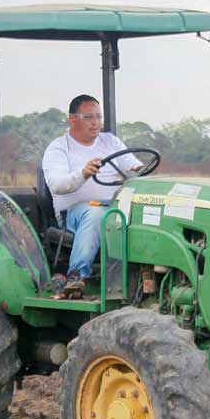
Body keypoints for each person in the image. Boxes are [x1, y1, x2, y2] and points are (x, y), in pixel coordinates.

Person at [43, 94, 142, 296]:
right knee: (97, 214)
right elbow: (56, 184)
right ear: (73, 119)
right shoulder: (59, 147)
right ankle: (77, 275)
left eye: (98, 117)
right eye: (89, 117)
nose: (96, 122)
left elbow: (131, 166)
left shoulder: (110, 142)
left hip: (114, 206)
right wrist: (83, 174)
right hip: (75, 213)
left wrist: (138, 170)